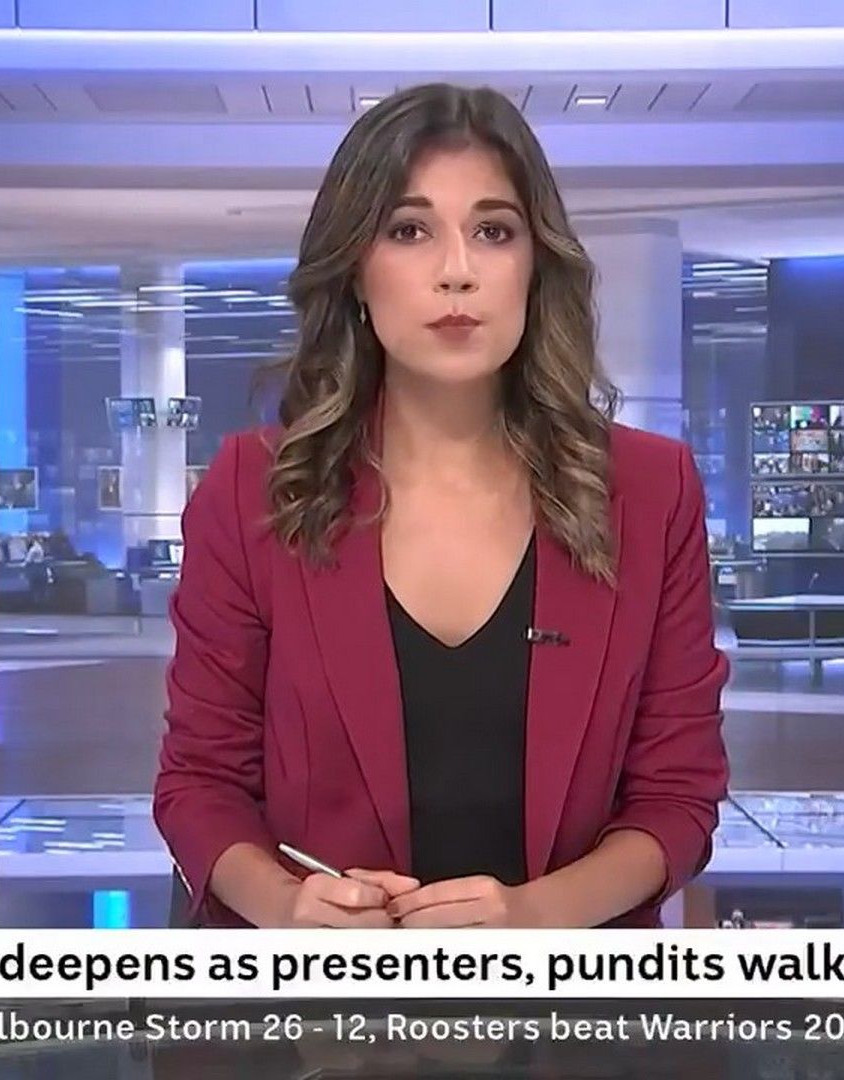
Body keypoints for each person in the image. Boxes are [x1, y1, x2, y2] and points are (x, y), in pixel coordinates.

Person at [153, 83, 731, 930]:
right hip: (320, 999)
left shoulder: (650, 490)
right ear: (355, 270)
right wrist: (286, 909)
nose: (457, 270)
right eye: (409, 230)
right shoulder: (252, 490)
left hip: (570, 999)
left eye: (494, 232)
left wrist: (532, 920)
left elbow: (678, 798)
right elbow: (200, 784)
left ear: (535, 266)